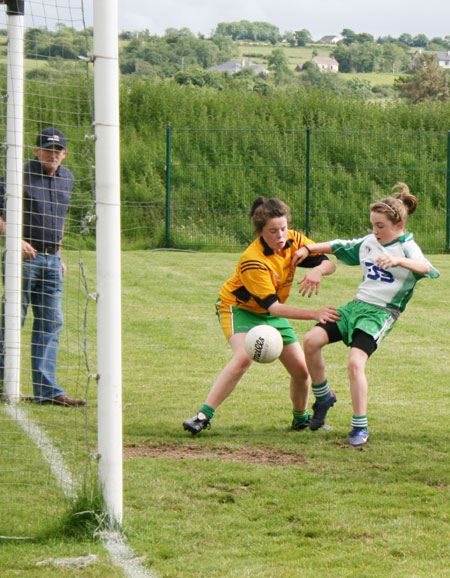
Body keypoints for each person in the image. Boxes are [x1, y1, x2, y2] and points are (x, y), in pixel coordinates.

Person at [292, 183, 439, 447]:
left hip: (381, 314)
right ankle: (323, 397)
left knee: (354, 363)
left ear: (398, 224)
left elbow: (426, 267)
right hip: (356, 306)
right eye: (373, 225)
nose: (375, 231)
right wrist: (308, 249)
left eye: (380, 226)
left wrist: (398, 261)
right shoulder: (370, 242)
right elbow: (337, 245)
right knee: (311, 340)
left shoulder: (407, 247)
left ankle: (360, 426)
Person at [183, 196, 340, 435]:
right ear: (260, 232)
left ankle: (301, 419)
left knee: (302, 371)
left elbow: (329, 262)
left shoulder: (293, 240)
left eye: (284, 228)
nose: (281, 236)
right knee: (244, 358)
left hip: (270, 311)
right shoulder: (253, 260)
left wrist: (318, 270)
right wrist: (315, 314)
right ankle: (202, 416)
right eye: (273, 231)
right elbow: (274, 308)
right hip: (239, 308)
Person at [0, 127, 86, 406]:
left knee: (52, 322)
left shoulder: (67, 179)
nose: (53, 155)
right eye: (48, 149)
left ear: (65, 153)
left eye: (58, 150)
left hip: (51, 261)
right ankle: (4, 383)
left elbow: (58, 219)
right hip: (23, 259)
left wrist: (58, 254)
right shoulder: (18, 174)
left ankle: (47, 391)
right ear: (36, 151)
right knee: (14, 319)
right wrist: (15, 240)